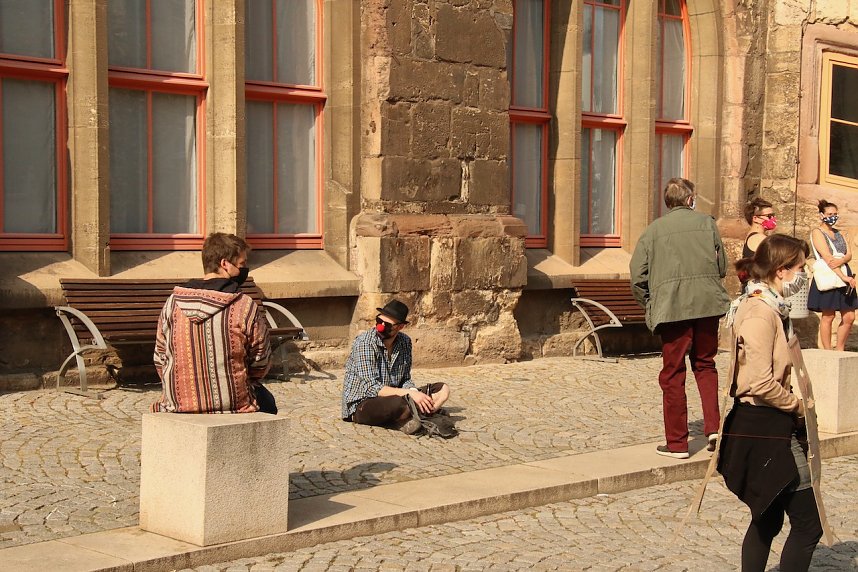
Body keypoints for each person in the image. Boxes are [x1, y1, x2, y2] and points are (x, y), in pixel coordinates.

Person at [719, 234, 822, 571]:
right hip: (764, 426)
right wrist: (797, 405)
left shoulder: (771, 307)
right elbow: (758, 382)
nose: (803, 275)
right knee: (808, 525)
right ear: (781, 271)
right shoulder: (760, 313)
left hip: (770, 423)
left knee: (768, 518)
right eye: (799, 268)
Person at [630, 178, 730, 459]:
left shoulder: (652, 231)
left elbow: (638, 277)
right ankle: (713, 428)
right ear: (690, 199)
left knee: (673, 374)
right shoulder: (707, 224)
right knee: (705, 364)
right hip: (706, 304)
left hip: (672, 309)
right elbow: (722, 265)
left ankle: (677, 443)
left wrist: (650, 305)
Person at [152, 232, 277, 414]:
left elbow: (159, 357)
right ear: (225, 264)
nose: (245, 269)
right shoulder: (243, 305)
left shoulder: (173, 303)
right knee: (268, 403)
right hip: (233, 404)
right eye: (241, 264)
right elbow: (261, 361)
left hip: (178, 403)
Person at [341, 299, 452, 436]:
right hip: (363, 404)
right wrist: (410, 395)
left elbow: (405, 378)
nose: (380, 326)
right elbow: (370, 387)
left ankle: (421, 411)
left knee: (442, 388)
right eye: (378, 321)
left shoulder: (405, 342)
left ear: (400, 327)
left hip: (396, 395)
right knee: (399, 403)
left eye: (387, 324)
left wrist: (413, 391)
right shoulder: (365, 343)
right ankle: (418, 412)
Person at [807, 199, 857, 350]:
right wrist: (843, 276)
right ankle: (827, 349)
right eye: (829, 214)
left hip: (844, 273)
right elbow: (827, 257)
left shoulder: (839, 233)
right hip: (829, 276)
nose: (833, 217)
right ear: (821, 215)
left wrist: (842, 261)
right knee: (828, 316)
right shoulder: (817, 232)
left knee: (849, 316)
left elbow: (849, 254)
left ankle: (839, 348)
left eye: (835, 214)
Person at [739, 198, 777, 292]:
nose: (773, 219)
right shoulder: (759, 238)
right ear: (755, 218)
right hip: (759, 290)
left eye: (773, 215)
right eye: (769, 216)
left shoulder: (752, 236)